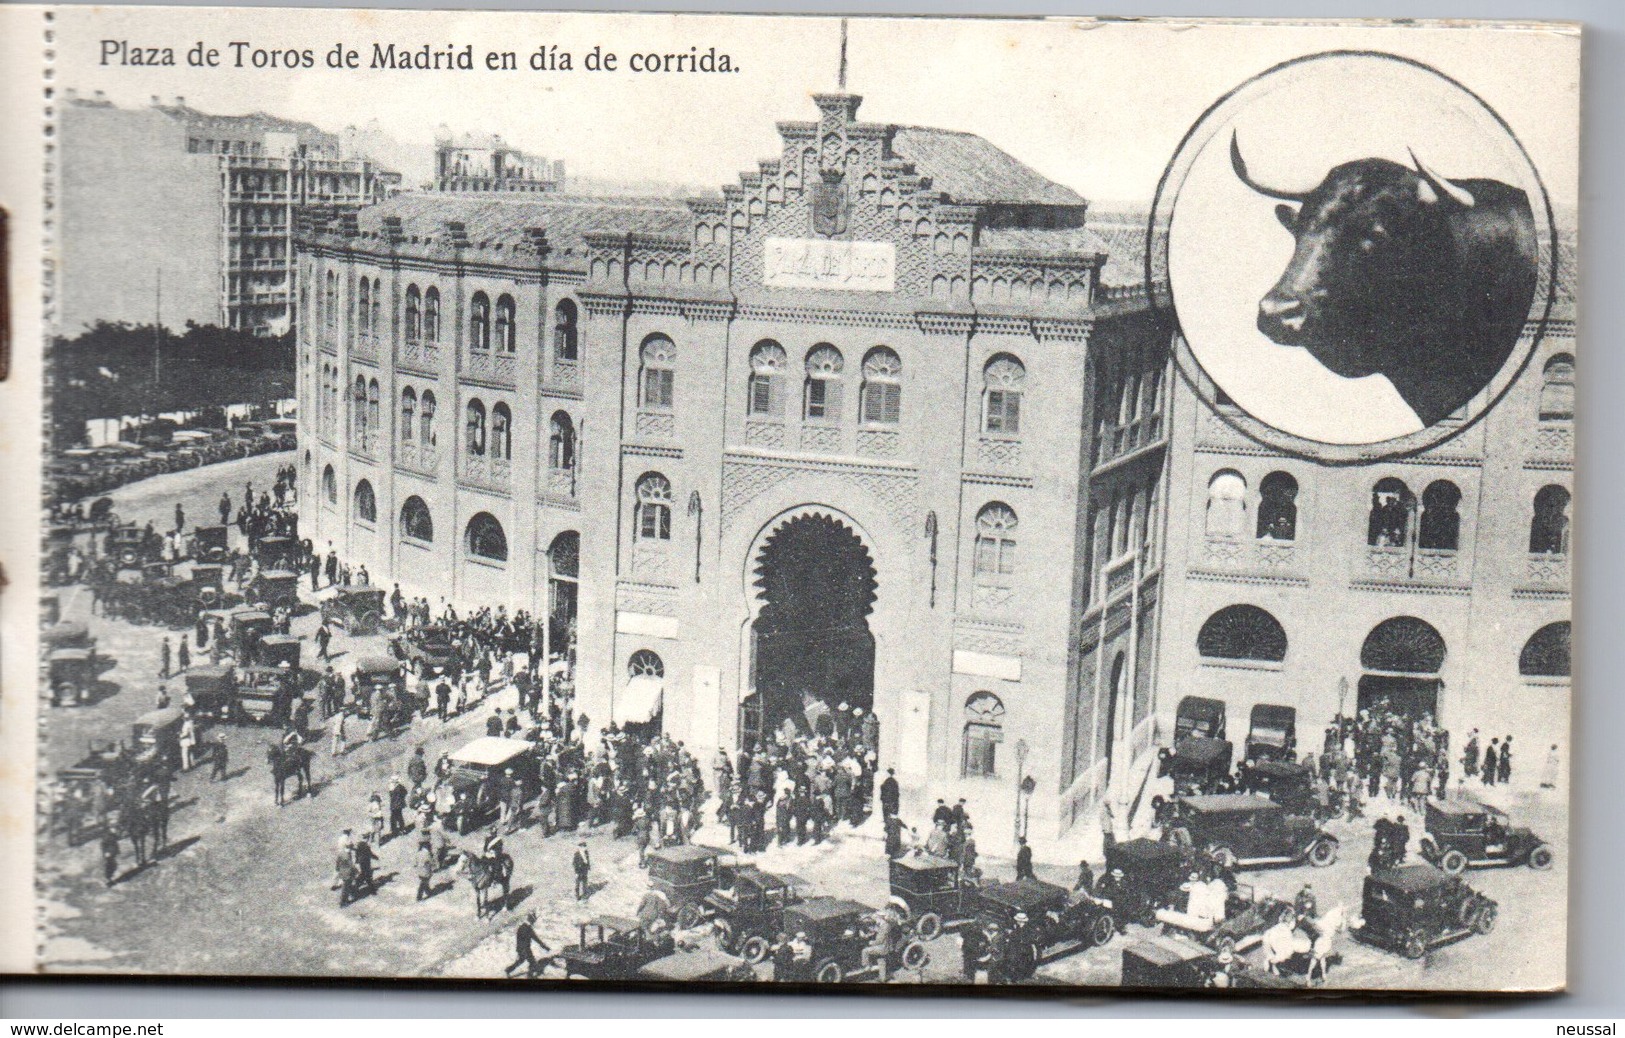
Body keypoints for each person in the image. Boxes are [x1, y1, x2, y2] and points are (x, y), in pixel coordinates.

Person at [506, 910, 551, 977]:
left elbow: (536, 939)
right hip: (523, 949)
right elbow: (534, 939)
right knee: (526, 961)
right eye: (533, 920)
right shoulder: (525, 928)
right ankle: (531, 975)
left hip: (525, 949)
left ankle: (509, 970)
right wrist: (523, 950)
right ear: (531, 920)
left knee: (526, 961)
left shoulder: (525, 927)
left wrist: (545, 947)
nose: (534, 922)